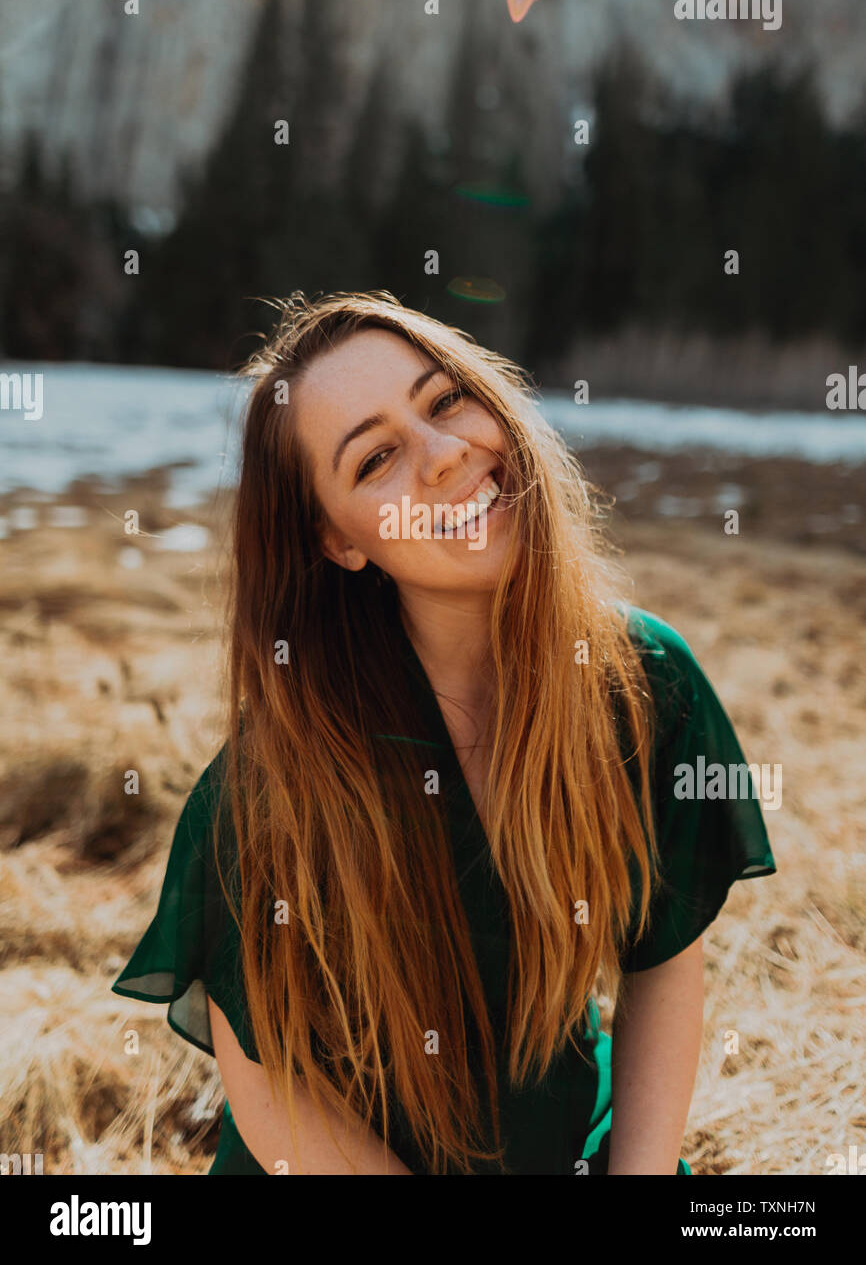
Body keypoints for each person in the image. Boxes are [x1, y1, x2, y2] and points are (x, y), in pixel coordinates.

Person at [111, 289, 777, 1175]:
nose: (444, 456)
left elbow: (660, 960)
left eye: (445, 400)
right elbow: (272, 1089)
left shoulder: (643, 684)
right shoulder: (268, 791)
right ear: (338, 541)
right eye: (376, 457)